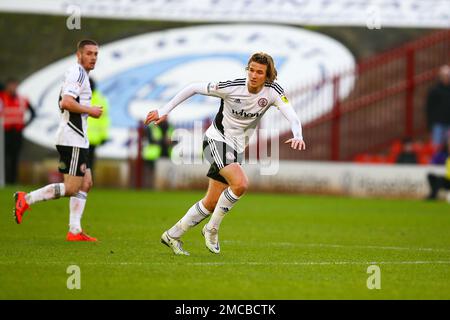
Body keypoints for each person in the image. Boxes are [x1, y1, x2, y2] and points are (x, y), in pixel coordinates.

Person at [145, 52, 306, 255]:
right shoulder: (233, 87)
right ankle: (211, 229)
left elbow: (292, 116)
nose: (254, 75)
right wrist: (163, 110)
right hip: (215, 140)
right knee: (240, 184)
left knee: (211, 202)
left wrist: (297, 134)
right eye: (251, 70)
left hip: (236, 149)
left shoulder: (272, 91)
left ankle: (172, 235)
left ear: (268, 76)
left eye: (260, 72)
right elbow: (193, 87)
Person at [13, 39, 103, 241]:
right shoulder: (77, 73)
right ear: (78, 55)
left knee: (86, 183)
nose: (93, 57)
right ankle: (26, 199)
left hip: (78, 138)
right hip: (72, 138)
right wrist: (91, 110)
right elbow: (66, 102)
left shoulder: (81, 75)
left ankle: (75, 230)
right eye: (89, 53)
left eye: (96, 54)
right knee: (71, 188)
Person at [0, 77, 36, 184]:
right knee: (5, 156)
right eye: (10, 85)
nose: (13, 87)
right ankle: (5, 180)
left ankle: (13, 180)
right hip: (5, 132)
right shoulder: (2, 98)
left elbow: (33, 112)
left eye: (14, 85)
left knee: (15, 156)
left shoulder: (22, 99)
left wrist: (25, 124)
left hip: (17, 132)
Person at [87, 77, 110, 173]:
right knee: (89, 162)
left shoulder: (81, 98)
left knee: (84, 162)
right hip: (92, 137)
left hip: (85, 137)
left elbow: (104, 119)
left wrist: (104, 136)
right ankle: (86, 182)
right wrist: (103, 136)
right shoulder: (101, 99)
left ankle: (84, 182)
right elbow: (104, 120)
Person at [425, 65, 450, 147]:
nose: (447, 78)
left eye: (448, 76)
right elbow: (429, 108)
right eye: (445, 76)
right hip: (438, 124)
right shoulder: (434, 91)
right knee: (436, 147)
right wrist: (430, 124)